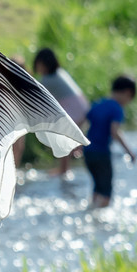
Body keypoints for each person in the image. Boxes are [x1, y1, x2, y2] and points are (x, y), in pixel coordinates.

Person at [31, 48, 89, 179]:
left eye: (39, 65)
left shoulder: (48, 80)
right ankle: (69, 163)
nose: (38, 68)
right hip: (82, 108)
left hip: (75, 110)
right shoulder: (60, 73)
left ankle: (64, 170)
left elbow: (35, 94)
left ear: (44, 64)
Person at [83, 76, 136, 209]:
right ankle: (99, 217)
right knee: (106, 191)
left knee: (97, 186)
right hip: (101, 153)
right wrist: (129, 152)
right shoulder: (117, 108)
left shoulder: (98, 103)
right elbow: (114, 132)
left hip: (88, 152)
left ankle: (92, 210)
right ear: (128, 93)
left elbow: (82, 123)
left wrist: (76, 144)